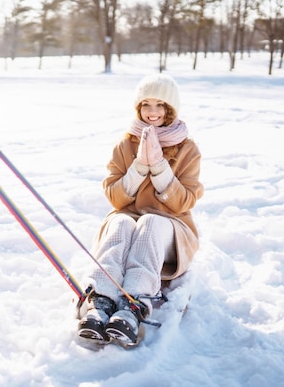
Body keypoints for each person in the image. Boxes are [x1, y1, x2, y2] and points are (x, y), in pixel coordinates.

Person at [76, 73, 203, 347]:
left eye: (160, 105)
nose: (152, 112)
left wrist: (159, 168)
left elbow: (184, 202)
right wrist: (138, 168)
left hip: (171, 227)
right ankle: (101, 299)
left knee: (151, 224)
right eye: (146, 105)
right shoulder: (125, 145)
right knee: (120, 221)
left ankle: (134, 303)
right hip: (131, 219)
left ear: (170, 110)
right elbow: (115, 197)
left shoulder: (188, 149)